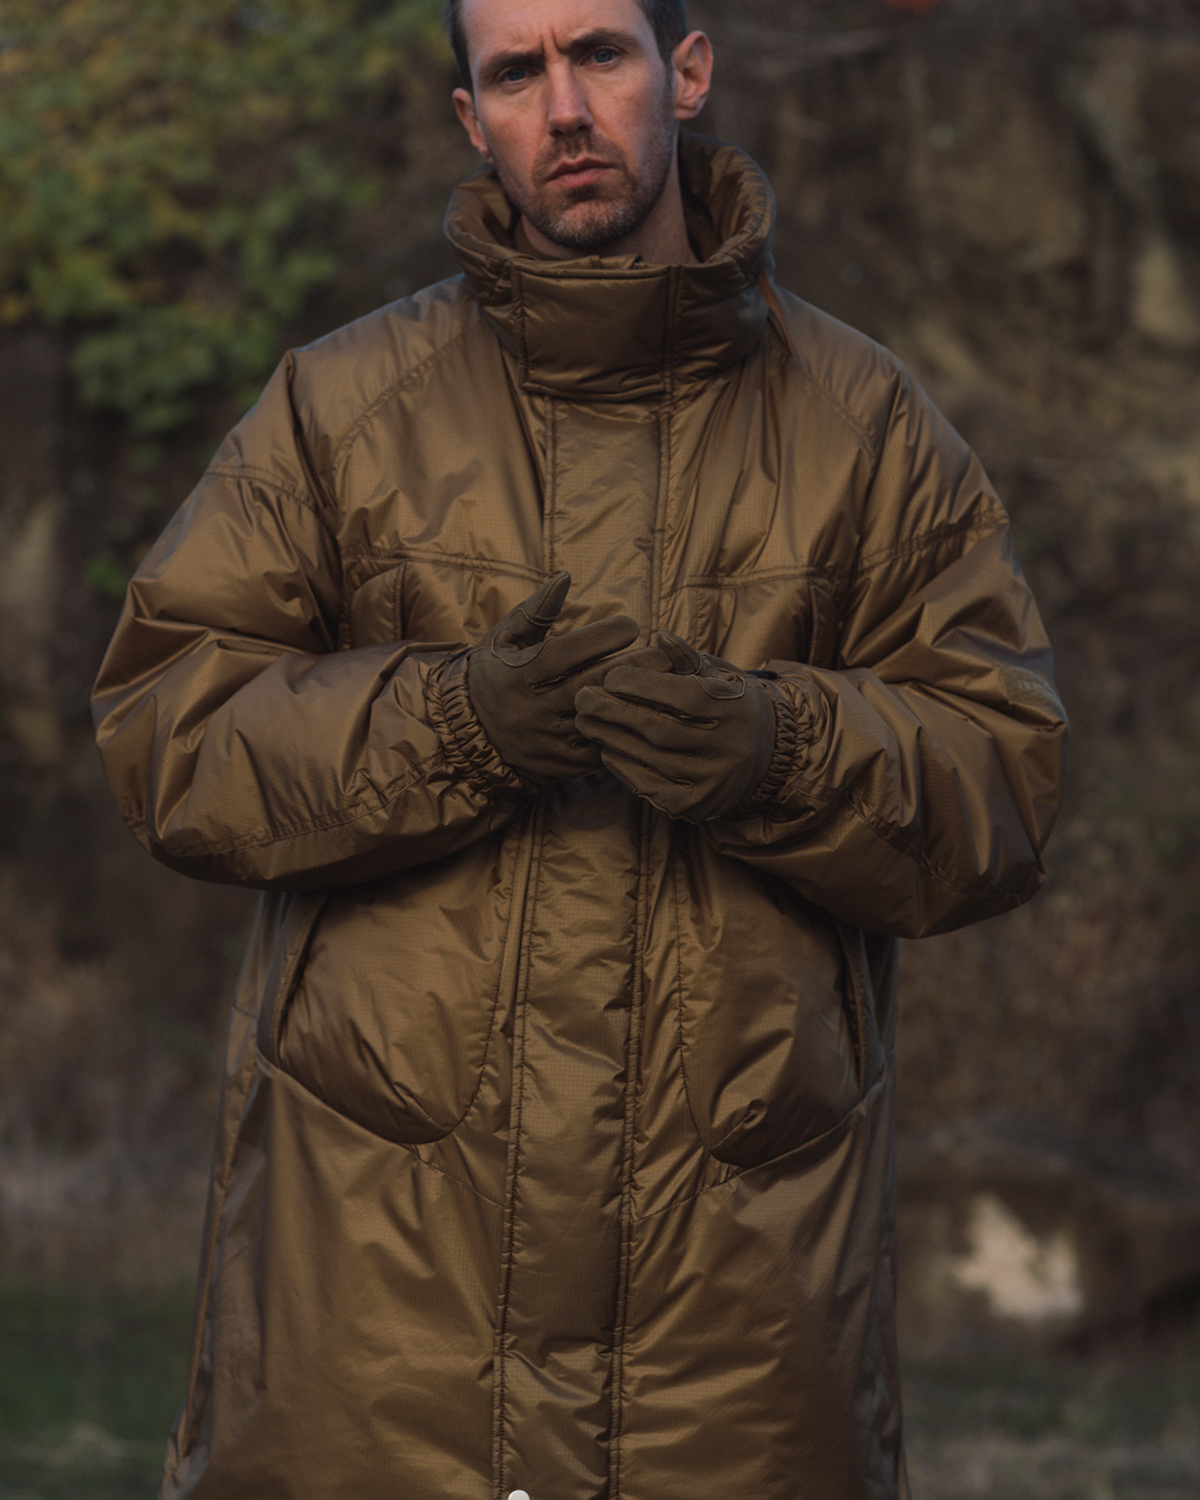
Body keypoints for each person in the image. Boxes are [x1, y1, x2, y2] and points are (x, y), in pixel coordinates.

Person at [91, 0, 1066, 1494]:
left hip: (735, 1331)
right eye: (515, 71)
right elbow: (170, 725)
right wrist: (453, 723)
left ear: (688, 69)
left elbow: (1005, 773)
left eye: (601, 53)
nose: (563, 108)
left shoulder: (868, 427)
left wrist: (778, 749)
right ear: (468, 117)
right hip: (379, 1325)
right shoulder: (337, 410)